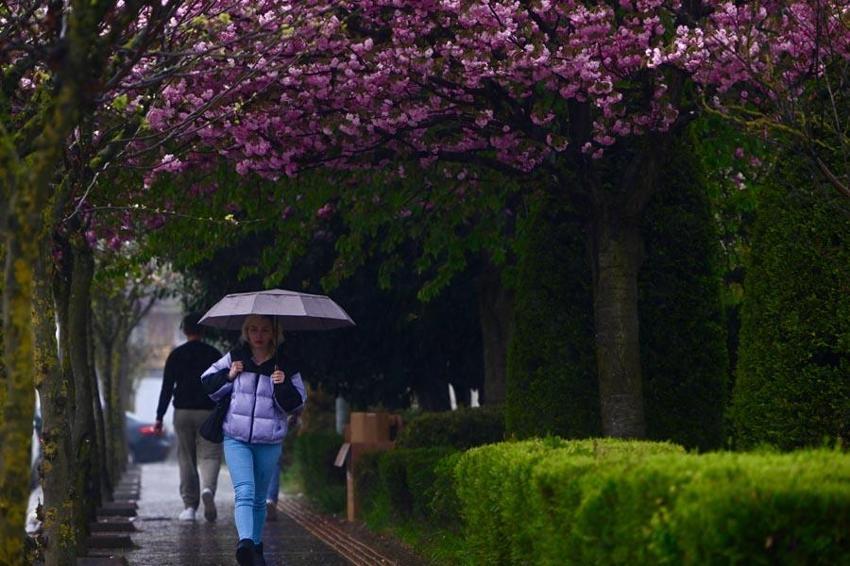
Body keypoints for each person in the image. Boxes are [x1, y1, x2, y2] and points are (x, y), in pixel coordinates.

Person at [201, 314, 306, 566]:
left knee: (259, 498)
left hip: (269, 441)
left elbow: (298, 403)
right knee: (245, 492)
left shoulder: (285, 365)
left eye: (265, 330)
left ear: (274, 334)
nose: (258, 335)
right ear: (246, 332)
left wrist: (282, 385)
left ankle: (256, 548)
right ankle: (245, 543)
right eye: (253, 330)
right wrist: (229, 375)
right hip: (236, 437)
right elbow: (207, 382)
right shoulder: (235, 357)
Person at [155, 313, 223, 522]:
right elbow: (223, 384)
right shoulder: (214, 354)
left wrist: (159, 417)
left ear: (185, 331)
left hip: (183, 412)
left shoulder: (176, 355)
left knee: (186, 458)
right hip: (208, 412)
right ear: (203, 331)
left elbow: (167, 387)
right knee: (210, 455)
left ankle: (190, 507)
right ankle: (208, 490)